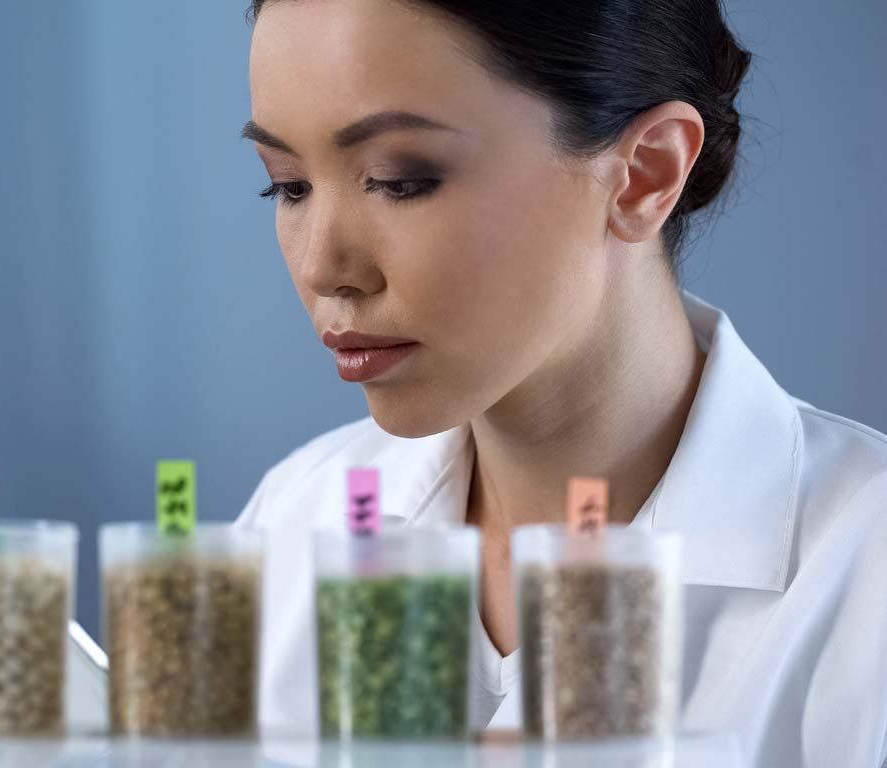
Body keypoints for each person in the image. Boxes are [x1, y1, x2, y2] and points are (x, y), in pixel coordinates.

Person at [236, 1, 887, 765]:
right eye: (287, 186)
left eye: (399, 180)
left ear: (645, 173)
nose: (323, 268)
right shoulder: (296, 514)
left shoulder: (863, 574)